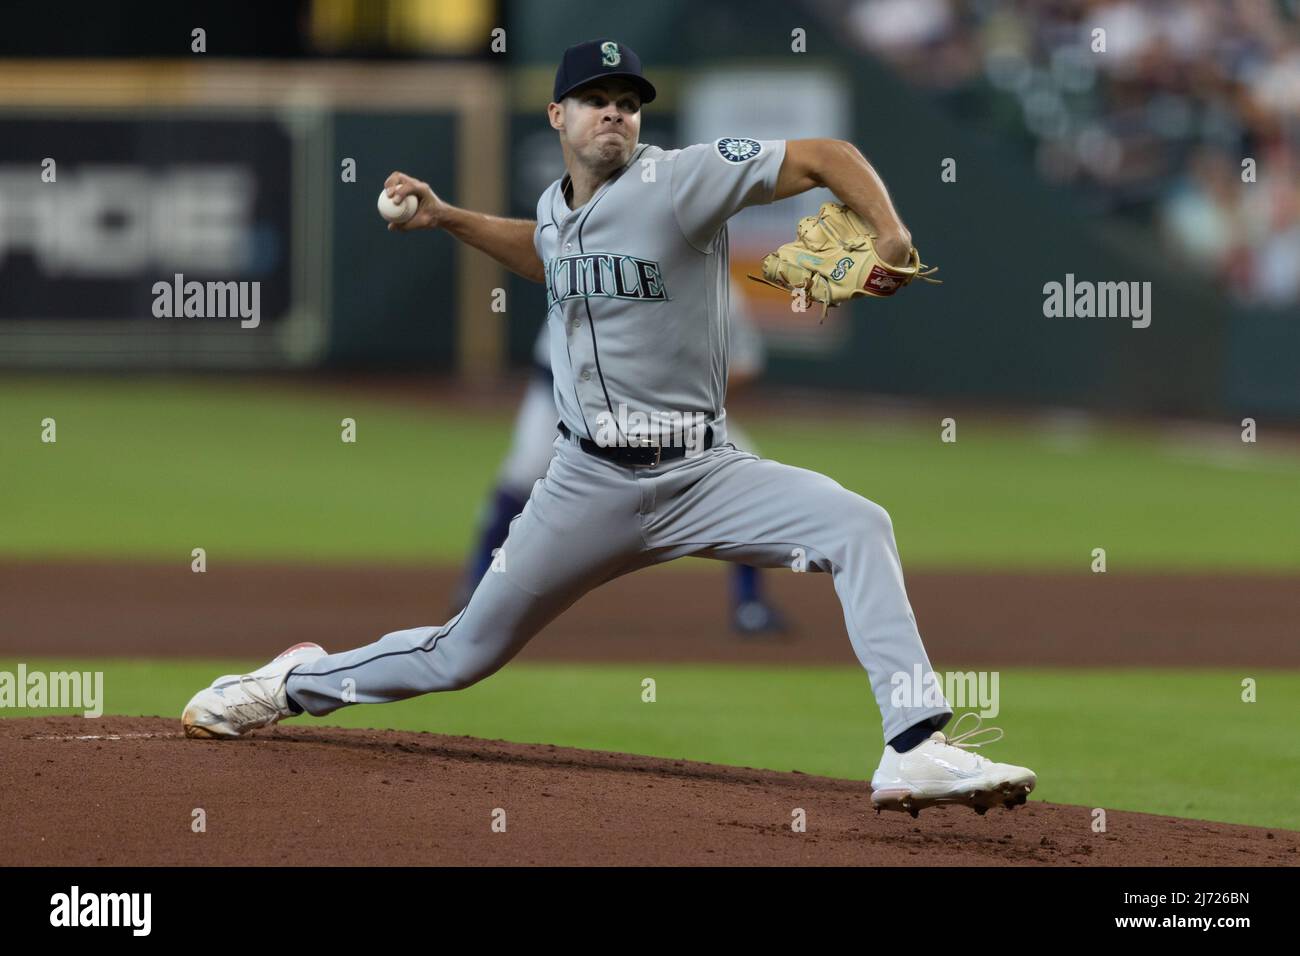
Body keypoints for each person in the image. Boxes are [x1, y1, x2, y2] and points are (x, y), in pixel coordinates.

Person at [183, 39, 1035, 818]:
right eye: (596, 99)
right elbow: (547, 252)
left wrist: (889, 233)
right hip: (588, 485)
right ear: (558, 115)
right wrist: (448, 218)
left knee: (858, 523)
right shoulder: (558, 209)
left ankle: (914, 747)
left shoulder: (682, 181)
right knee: (459, 657)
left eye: (628, 101)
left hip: (706, 475)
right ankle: (290, 684)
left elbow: (825, 157)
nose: (615, 113)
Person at [452, 280, 789, 637]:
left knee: (743, 469)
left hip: (662, 410)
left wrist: (688, 396)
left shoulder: (719, 290)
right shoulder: (603, 265)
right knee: (524, 472)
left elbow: (746, 364)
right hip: (564, 398)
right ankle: (477, 584)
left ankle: (750, 604)